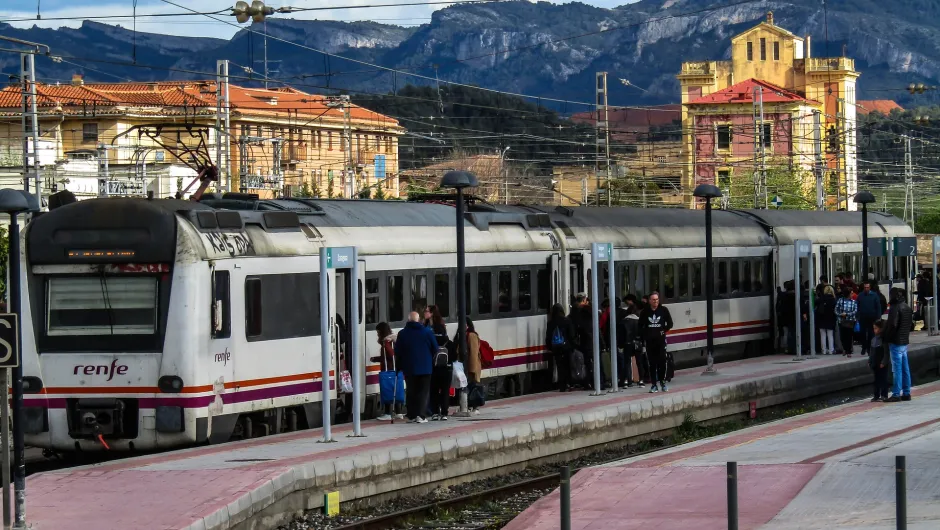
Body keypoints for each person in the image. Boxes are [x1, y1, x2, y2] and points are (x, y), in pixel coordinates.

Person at [394, 311, 437, 423]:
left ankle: (412, 415)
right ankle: (421, 415)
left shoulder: (402, 333)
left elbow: (397, 351)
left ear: (408, 320)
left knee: (411, 391)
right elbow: (435, 348)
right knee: (423, 391)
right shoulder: (427, 332)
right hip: (425, 367)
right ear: (418, 320)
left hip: (409, 368)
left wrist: (400, 365)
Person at [638, 291, 673, 393]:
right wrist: (644, 336)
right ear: (649, 301)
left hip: (661, 341)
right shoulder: (645, 312)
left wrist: (664, 330)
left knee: (662, 361)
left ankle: (663, 382)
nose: (655, 302)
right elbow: (640, 326)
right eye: (653, 300)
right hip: (650, 341)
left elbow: (670, 323)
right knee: (652, 363)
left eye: (657, 300)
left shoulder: (663, 310)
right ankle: (654, 384)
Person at [883, 288, 913, 402]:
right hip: (904, 341)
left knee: (897, 369)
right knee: (905, 368)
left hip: (895, 342)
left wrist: (886, 337)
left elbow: (892, 325)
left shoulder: (895, 308)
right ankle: (906, 393)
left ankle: (896, 394)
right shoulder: (907, 307)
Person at [372, 322, 403, 421]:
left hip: (388, 369)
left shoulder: (387, 342)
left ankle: (387, 413)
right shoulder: (394, 339)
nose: (377, 334)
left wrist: (385, 345)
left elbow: (391, 355)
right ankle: (398, 412)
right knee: (395, 390)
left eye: (378, 332)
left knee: (387, 389)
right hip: (395, 369)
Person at [426, 305, 453, 421]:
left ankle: (435, 412)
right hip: (446, 367)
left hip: (433, 367)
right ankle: (444, 413)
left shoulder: (430, 336)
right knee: (445, 391)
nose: (424, 313)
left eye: (426, 311)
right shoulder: (447, 339)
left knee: (434, 390)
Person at [546, 303, 576, 392]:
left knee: (560, 367)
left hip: (556, 348)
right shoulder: (567, 321)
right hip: (566, 347)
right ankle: (569, 384)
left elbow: (548, 337)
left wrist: (550, 348)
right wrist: (573, 346)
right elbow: (571, 335)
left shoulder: (550, 323)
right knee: (568, 365)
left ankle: (562, 386)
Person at [463, 318, 483, 414]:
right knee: (468, 387)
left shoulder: (471, 335)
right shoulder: (463, 334)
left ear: (467, 325)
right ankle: (469, 406)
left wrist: (472, 369)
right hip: (465, 366)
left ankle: (475, 407)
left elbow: (474, 353)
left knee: (473, 387)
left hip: (471, 366)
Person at [856, 281, 882, 357]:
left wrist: (878, 316)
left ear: (870, 288)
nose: (866, 289)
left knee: (871, 333)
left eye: (867, 287)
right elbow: (858, 306)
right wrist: (858, 316)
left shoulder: (874, 295)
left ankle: (869, 348)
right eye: (865, 287)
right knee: (862, 333)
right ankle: (864, 347)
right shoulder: (860, 296)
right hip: (863, 317)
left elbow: (878, 306)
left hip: (872, 317)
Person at [870, 319, 890, 402]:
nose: (874, 330)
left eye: (876, 328)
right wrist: (870, 360)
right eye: (874, 328)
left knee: (884, 379)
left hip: (882, 363)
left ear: (881, 329)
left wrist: (884, 362)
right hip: (875, 362)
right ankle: (876, 395)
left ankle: (884, 394)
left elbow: (886, 353)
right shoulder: (873, 340)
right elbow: (871, 352)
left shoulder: (884, 340)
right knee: (876, 380)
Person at [836, 285, 857, 358]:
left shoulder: (854, 302)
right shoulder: (840, 300)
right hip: (841, 321)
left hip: (850, 321)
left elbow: (855, 311)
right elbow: (836, 309)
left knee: (849, 336)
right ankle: (844, 348)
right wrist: (840, 314)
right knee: (842, 336)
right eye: (851, 293)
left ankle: (848, 351)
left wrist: (847, 314)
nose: (852, 294)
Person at [816, 285, 837, 355]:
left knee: (822, 335)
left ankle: (824, 350)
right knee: (830, 335)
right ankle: (831, 350)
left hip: (821, 318)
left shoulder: (821, 299)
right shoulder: (833, 300)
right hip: (830, 318)